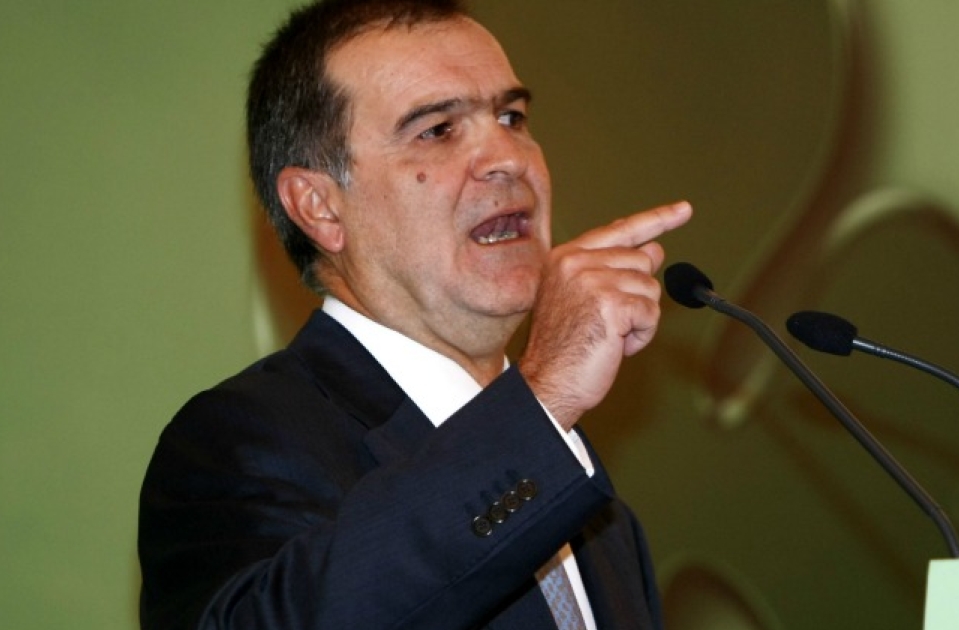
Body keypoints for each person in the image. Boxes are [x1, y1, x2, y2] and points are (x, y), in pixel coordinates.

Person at [136, 0, 692, 628]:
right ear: (319, 206)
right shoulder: (240, 443)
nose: (507, 158)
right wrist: (543, 400)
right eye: (437, 130)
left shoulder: (604, 523)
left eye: (511, 117)